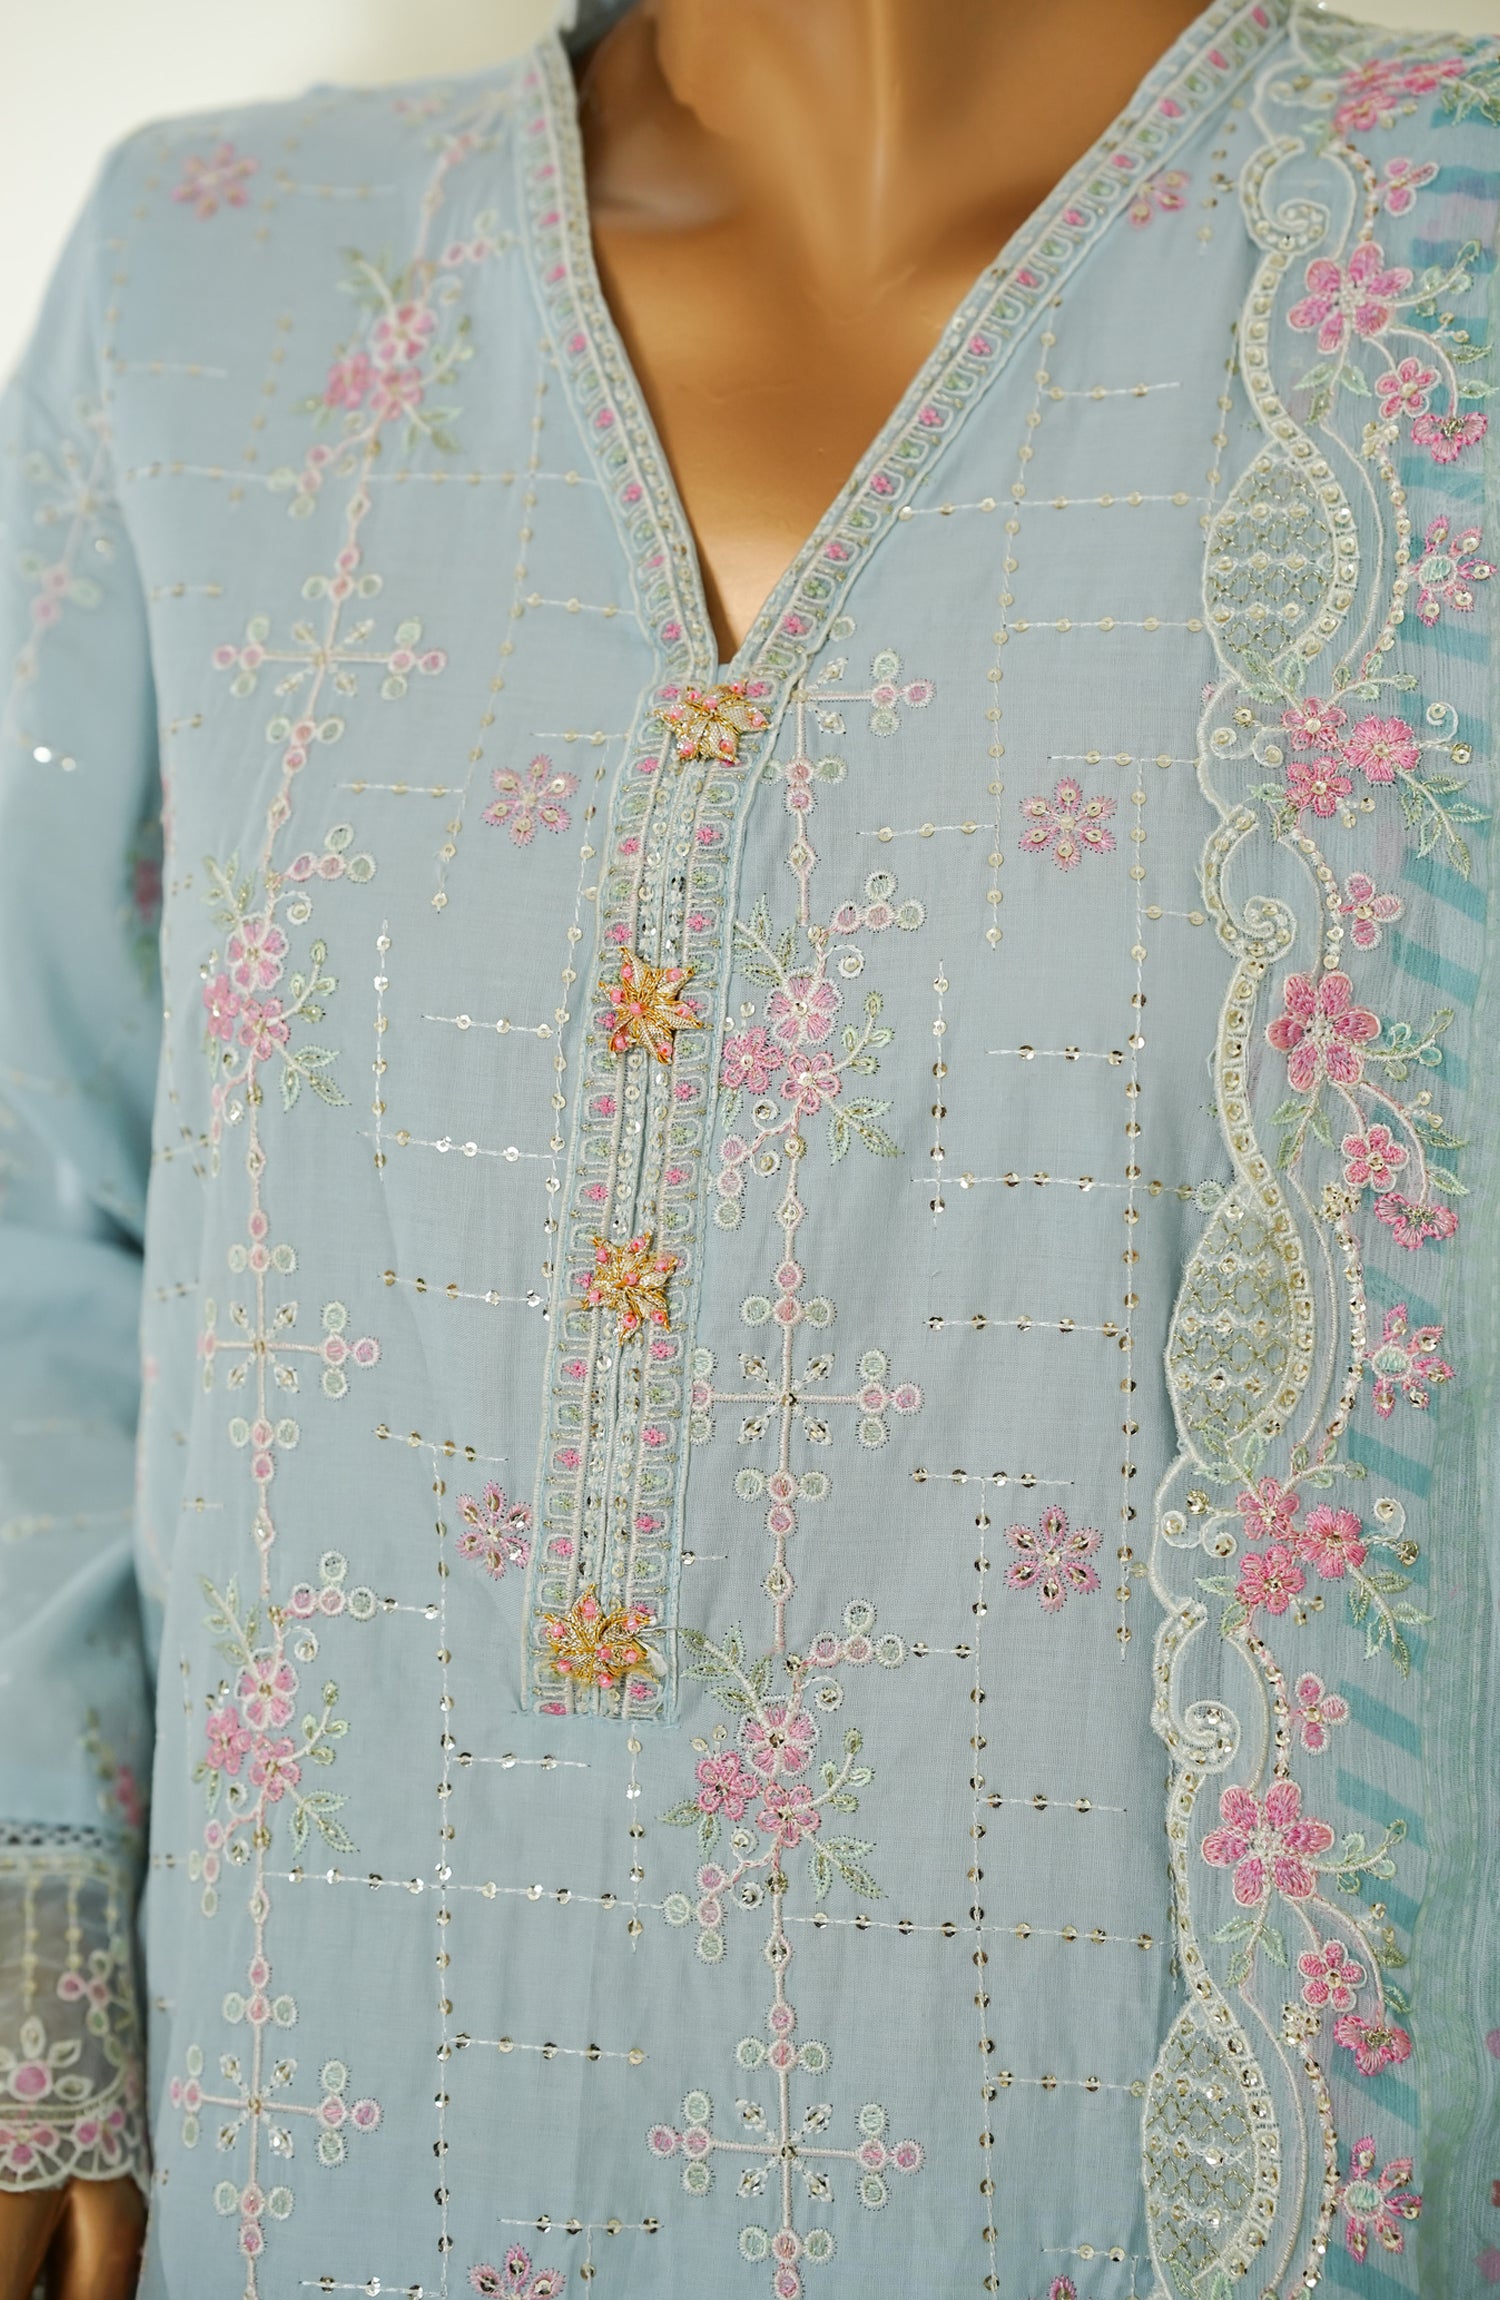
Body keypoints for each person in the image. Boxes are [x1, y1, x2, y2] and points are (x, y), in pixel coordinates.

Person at [2, 0, 1497, 2291]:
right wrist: (30, 1924)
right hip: (314, 2146)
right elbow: (42, 1193)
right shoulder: (209, 283)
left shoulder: (1439, 262)